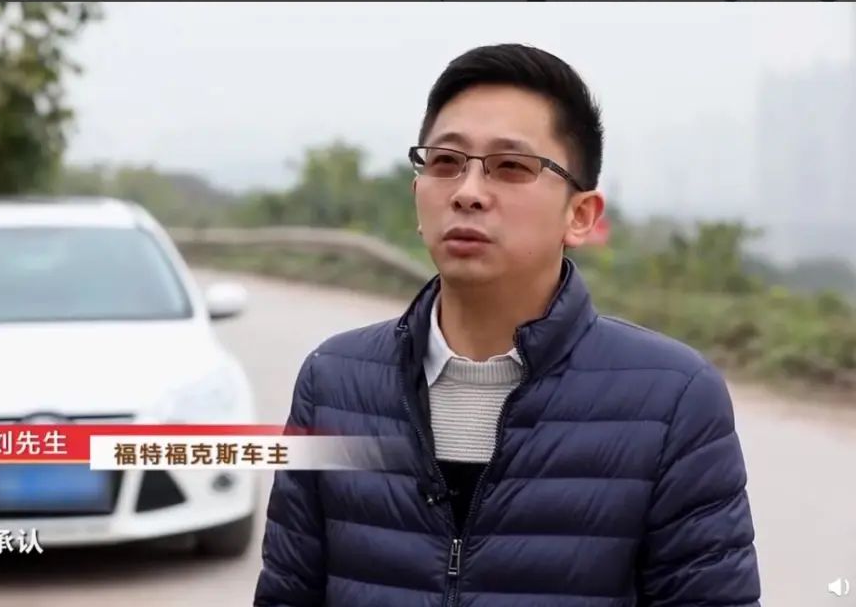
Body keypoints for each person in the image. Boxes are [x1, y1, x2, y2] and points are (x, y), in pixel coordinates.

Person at [253, 43, 761, 606]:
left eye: (511, 167)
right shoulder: (334, 383)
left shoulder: (672, 400)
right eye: (445, 163)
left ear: (580, 215)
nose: (467, 193)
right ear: (418, 193)